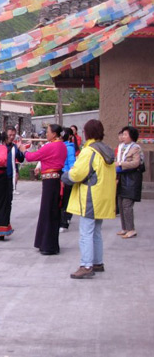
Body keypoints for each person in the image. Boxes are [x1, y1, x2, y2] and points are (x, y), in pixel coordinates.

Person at [62, 119, 116, 279]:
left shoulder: (89, 151)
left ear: (87, 133)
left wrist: (65, 176)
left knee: (86, 233)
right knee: (96, 232)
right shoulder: (106, 150)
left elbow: (78, 173)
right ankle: (98, 262)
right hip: (103, 197)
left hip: (90, 197)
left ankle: (86, 265)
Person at [19, 124, 67, 255]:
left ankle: (48, 245)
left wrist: (24, 149)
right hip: (55, 180)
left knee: (48, 211)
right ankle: (47, 243)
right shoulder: (62, 145)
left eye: (48, 132)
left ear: (55, 134)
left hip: (50, 181)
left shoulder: (51, 146)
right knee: (52, 211)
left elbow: (30, 157)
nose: (46, 134)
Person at [115, 126, 143, 239]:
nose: (123, 136)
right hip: (122, 177)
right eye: (123, 134)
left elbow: (136, 163)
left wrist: (121, 164)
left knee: (127, 204)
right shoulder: (121, 147)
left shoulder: (136, 148)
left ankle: (131, 229)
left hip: (131, 179)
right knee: (121, 203)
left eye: (125, 134)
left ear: (132, 136)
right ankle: (125, 228)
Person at [5, 125, 25, 224]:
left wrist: (20, 149)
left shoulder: (14, 147)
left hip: (9, 177)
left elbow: (21, 159)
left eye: (13, 135)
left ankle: (6, 222)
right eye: (10, 135)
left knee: (8, 202)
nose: (11, 137)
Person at [60, 128, 78, 232]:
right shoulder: (61, 146)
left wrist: (69, 175)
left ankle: (64, 222)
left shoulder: (69, 148)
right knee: (62, 200)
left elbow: (72, 163)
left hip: (66, 175)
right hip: (60, 174)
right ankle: (63, 220)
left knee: (65, 200)